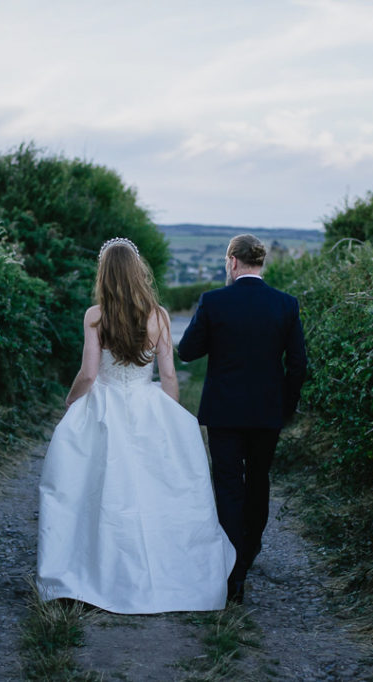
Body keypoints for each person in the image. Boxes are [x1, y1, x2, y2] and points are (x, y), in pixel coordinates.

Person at [36, 237, 235, 614]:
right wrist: (171, 418)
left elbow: (89, 374)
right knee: (154, 491)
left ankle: (97, 571)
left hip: (104, 406)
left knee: (96, 490)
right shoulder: (158, 316)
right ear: (137, 272)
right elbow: (170, 374)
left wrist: (70, 401)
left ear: (104, 275)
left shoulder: (95, 316)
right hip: (147, 402)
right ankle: (164, 570)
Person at [177, 234, 307, 604]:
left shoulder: (215, 302)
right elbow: (298, 365)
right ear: (258, 262)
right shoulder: (285, 304)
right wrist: (286, 406)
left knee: (229, 485)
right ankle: (247, 557)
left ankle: (232, 573)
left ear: (232, 262)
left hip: (225, 413)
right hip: (268, 413)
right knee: (258, 483)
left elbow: (187, 351)